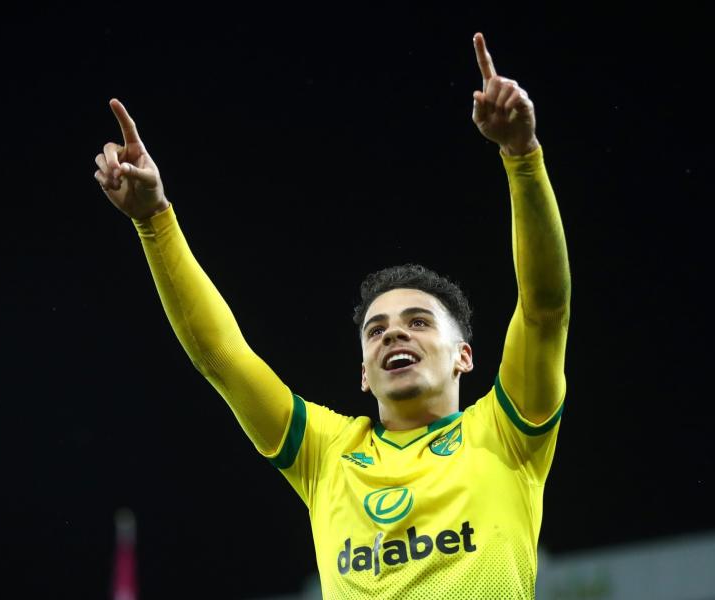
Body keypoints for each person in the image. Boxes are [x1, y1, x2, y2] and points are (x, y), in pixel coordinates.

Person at [94, 32, 570, 599]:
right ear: (364, 373)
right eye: (377, 329)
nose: (394, 330)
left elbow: (544, 309)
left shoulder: (506, 434)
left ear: (464, 355)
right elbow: (220, 356)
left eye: (419, 321)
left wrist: (522, 156)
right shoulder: (327, 454)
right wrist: (154, 220)